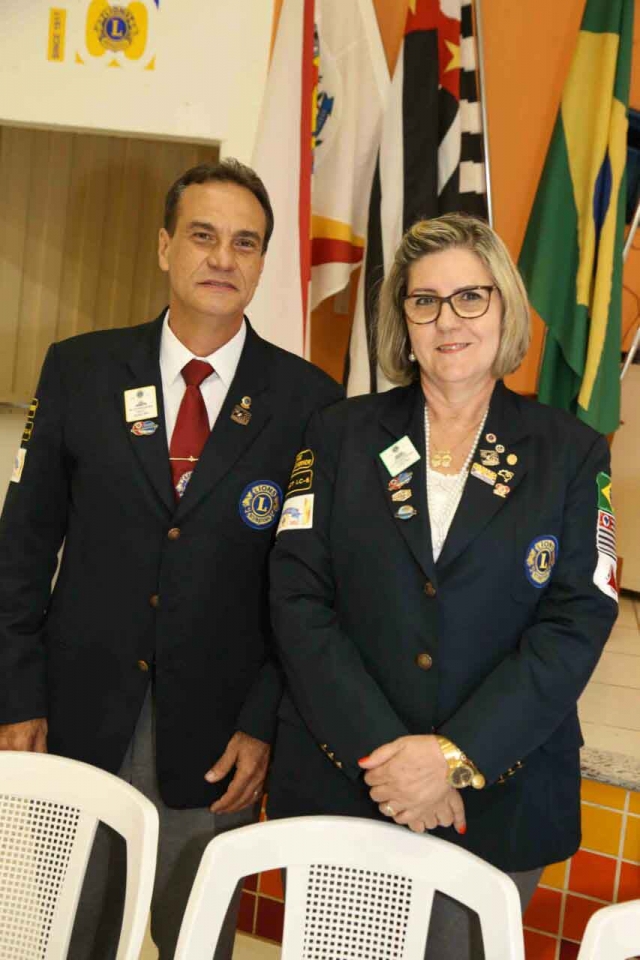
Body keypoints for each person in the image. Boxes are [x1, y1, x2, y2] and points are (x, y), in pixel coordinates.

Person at [0, 158, 342, 958]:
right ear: (164, 247)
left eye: (245, 242)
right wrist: (16, 694)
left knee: (193, 944)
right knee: (65, 938)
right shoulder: (80, 370)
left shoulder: (312, 404)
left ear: (263, 261)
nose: (223, 258)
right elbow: (20, 551)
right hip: (76, 719)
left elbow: (309, 591)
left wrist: (263, 722)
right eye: (203, 235)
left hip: (219, 741)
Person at [268, 213, 618, 958]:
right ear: (403, 319)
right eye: (424, 301)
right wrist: (391, 761)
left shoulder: (572, 454)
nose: (448, 320)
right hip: (348, 783)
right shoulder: (337, 434)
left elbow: (577, 621)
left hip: (500, 796)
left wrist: (454, 758)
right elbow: (297, 599)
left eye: (470, 297)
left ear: (505, 306)